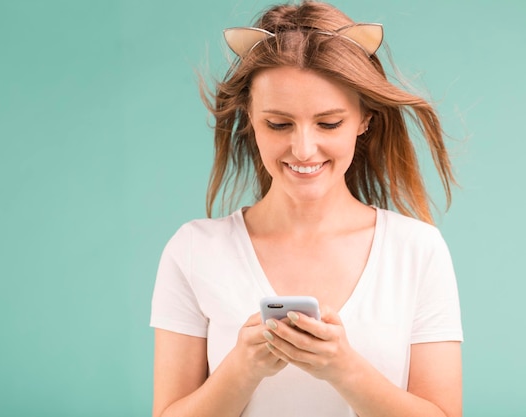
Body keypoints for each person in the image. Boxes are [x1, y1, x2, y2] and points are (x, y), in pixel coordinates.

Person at [150, 1, 463, 416]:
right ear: (249, 117)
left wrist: (343, 368)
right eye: (278, 124)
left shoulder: (418, 251)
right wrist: (241, 369)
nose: (302, 149)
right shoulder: (193, 250)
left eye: (329, 123)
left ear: (365, 117)